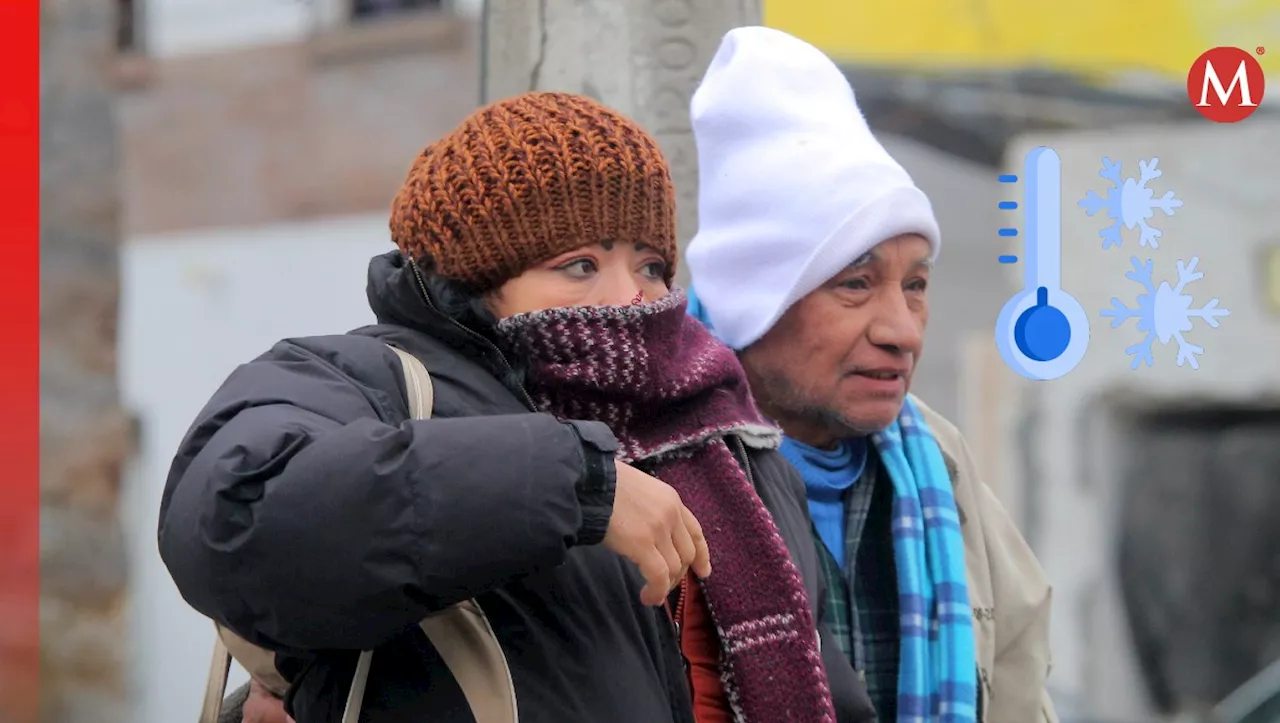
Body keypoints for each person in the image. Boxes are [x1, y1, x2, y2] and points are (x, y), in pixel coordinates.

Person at [159, 91, 875, 723]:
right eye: (580, 265)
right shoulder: (372, 382)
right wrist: (576, 483)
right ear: (481, 275)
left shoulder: (721, 438)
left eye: (651, 264)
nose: (632, 295)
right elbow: (231, 514)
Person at [683, 27, 1060, 723]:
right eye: (856, 283)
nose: (903, 329)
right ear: (754, 301)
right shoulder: (655, 474)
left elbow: (1017, 676)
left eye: (915, 285)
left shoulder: (936, 464)